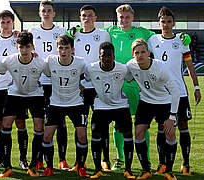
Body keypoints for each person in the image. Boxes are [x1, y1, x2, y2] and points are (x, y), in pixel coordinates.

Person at [103, 4, 191, 170]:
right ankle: (120, 158)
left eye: (127, 17)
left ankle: (148, 160)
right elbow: (93, 34)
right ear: (117, 18)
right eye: (121, 17)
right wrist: (75, 30)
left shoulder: (143, 33)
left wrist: (182, 36)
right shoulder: (109, 32)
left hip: (140, 85)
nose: (124, 20)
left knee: (143, 124)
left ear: (133, 18)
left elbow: (164, 36)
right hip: (119, 84)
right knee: (119, 123)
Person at [148, 7, 201, 176]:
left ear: (174, 23)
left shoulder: (181, 41)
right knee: (163, 127)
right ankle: (162, 164)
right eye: (163, 22)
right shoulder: (152, 40)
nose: (166, 25)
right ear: (159, 23)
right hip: (160, 93)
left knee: (183, 125)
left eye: (169, 21)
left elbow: (190, 66)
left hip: (179, 91)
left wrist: (197, 87)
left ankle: (186, 164)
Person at [0, 31, 45, 177]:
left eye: (27, 47)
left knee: (39, 125)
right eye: (21, 46)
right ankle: (7, 165)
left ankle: (33, 165)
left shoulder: (40, 62)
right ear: (17, 46)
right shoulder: (9, 60)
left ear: (32, 47)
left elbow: (53, 72)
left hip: (35, 95)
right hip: (15, 94)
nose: (24, 50)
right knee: (6, 124)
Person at [66, 5, 111, 172]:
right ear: (80, 18)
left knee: (101, 125)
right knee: (80, 125)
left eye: (90, 15)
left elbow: (108, 58)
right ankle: (80, 162)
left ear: (96, 18)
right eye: (84, 15)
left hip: (98, 87)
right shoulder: (73, 34)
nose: (87, 18)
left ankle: (105, 160)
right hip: (81, 87)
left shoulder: (103, 34)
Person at [127, 38, 180, 180]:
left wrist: (172, 117)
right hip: (146, 102)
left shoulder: (160, 68)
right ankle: (146, 170)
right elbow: (126, 77)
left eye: (143, 52)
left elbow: (175, 92)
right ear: (133, 54)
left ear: (148, 53)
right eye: (136, 52)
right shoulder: (131, 65)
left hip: (164, 103)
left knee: (170, 134)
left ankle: (169, 171)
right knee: (138, 133)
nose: (140, 55)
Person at [38, 35, 89, 177]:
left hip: (76, 103)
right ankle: (49, 167)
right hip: (56, 104)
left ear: (72, 49)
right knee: (47, 136)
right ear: (57, 49)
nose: (63, 51)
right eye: (61, 48)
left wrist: (80, 85)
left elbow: (87, 76)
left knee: (82, 135)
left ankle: (81, 166)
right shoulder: (51, 60)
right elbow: (46, 72)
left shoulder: (80, 63)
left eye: (66, 48)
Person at [0, 10, 30, 170]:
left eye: (8, 22)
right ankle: (1, 158)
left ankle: (23, 159)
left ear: (13, 23)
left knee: (20, 123)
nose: (5, 26)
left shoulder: (18, 39)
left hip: (16, 89)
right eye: (3, 23)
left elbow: (31, 50)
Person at [84, 42, 135, 179]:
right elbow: (83, 77)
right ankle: (97, 169)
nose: (106, 58)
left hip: (120, 106)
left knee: (128, 134)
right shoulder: (91, 68)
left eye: (109, 55)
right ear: (99, 56)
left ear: (113, 56)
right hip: (101, 106)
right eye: (103, 55)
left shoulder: (123, 69)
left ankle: (128, 170)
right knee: (95, 133)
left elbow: (131, 78)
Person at [29, 0, 67, 170]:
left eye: (49, 10)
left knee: (61, 122)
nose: (46, 13)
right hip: (38, 82)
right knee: (41, 122)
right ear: (39, 13)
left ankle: (62, 159)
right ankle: (38, 159)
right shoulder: (32, 31)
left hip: (57, 82)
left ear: (54, 13)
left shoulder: (62, 31)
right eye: (43, 10)